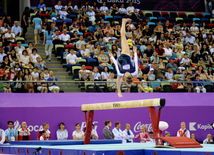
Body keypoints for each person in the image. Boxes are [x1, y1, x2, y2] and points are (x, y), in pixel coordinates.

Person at [109, 18, 138, 98]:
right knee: (123, 36)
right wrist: (135, 52)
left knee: (123, 36)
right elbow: (135, 62)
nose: (124, 77)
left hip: (122, 58)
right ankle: (123, 22)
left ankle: (119, 91)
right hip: (124, 55)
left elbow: (115, 64)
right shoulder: (134, 72)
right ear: (127, 78)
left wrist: (112, 57)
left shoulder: (123, 73)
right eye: (125, 78)